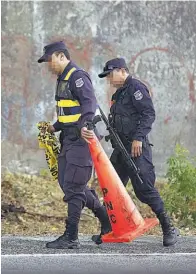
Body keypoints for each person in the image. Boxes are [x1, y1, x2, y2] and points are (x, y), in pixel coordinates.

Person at [90, 57, 178, 247]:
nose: (109, 79)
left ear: (122, 70)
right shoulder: (119, 94)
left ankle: (168, 227)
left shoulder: (136, 88)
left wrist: (138, 138)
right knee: (111, 188)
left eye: (110, 74)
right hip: (120, 150)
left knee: (144, 189)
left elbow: (148, 113)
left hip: (136, 148)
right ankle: (108, 229)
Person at [37, 41, 111, 249]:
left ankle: (71, 236)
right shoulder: (62, 79)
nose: (48, 65)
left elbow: (89, 104)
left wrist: (87, 124)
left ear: (61, 56)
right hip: (68, 138)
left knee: (74, 186)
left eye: (50, 60)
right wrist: (54, 127)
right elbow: (69, 112)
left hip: (82, 138)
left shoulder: (77, 77)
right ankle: (106, 220)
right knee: (67, 182)